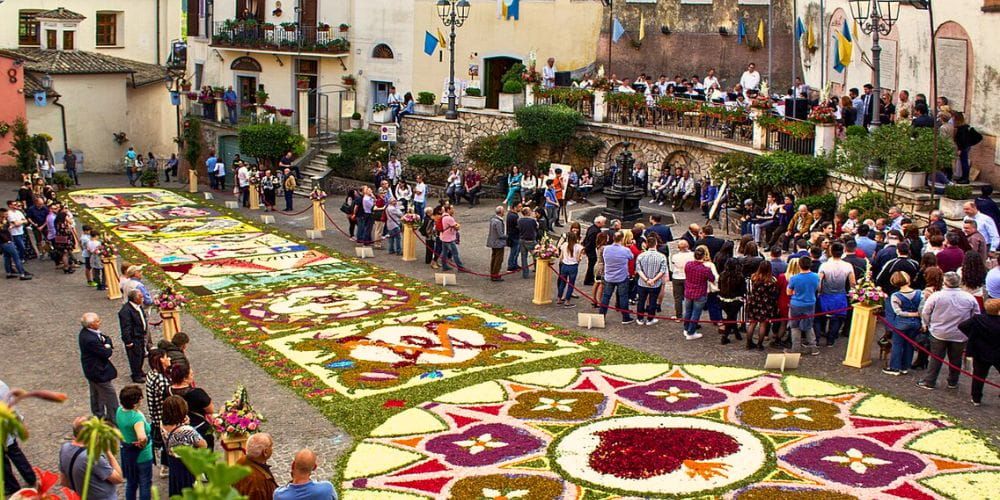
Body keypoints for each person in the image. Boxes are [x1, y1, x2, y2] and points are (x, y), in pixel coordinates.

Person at [918, 272, 981, 390]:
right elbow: (976, 315)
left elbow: (926, 312)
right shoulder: (969, 297)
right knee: (956, 359)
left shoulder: (936, 296)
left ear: (944, 283)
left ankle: (930, 381)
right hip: (960, 334)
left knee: (936, 358)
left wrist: (926, 324)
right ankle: (953, 381)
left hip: (939, 332)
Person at [59, 416, 124, 499]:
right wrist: (108, 452)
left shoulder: (65, 448)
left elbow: (64, 481)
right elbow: (118, 478)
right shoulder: (92, 457)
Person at [161, 395, 207, 496]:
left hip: (173, 463)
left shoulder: (162, 423)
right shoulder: (186, 430)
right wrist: (187, 425)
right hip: (186, 465)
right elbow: (203, 444)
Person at [79, 312, 118, 421]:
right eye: (97, 321)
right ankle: (114, 418)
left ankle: (98, 414)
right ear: (91, 325)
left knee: (96, 393)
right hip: (98, 371)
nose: (99, 322)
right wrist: (108, 345)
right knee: (110, 395)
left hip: (91, 370)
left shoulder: (88, 333)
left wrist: (107, 343)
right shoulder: (90, 339)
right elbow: (106, 353)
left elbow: (106, 338)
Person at [1, 380, 37, 497]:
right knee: (10, 456)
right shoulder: (1, 385)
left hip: (5, 428)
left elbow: (11, 406)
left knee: (10, 456)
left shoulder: (1, 386)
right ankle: (24, 479)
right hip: (6, 428)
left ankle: (19, 482)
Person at [960, 299, 1000, 406]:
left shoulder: (978, 319)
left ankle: (976, 398)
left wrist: (973, 336)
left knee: (979, 376)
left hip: (980, 352)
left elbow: (962, 326)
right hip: (998, 352)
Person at [116, 385, 153, 500]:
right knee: (145, 484)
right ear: (135, 402)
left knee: (131, 483)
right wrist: (143, 442)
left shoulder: (119, 411)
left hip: (127, 453)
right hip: (142, 456)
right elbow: (142, 437)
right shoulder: (136, 418)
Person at [168, 364, 215, 450]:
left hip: (176, 429)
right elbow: (210, 409)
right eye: (191, 374)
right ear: (185, 379)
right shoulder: (197, 393)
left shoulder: (167, 391)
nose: (193, 376)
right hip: (199, 429)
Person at [883, 272, 922, 376]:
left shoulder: (895, 296)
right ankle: (905, 367)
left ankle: (895, 367)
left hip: (901, 323)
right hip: (916, 322)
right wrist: (917, 314)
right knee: (909, 344)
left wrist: (910, 314)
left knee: (897, 345)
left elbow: (898, 312)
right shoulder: (919, 293)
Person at [817, 242, 856, 346]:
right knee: (837, 319)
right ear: (842, 252)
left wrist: (819, 292)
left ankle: (818, 336)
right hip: (840, 295)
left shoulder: (824, 265)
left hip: (825, 295)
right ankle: (831, 339)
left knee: (821, 317)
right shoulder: (848, 266)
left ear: (831, 251)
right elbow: (853, 282)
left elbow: (819, 282)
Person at [144, 349, 171, 477]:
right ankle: (167, 466)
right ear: (161, 360)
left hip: (156, 415)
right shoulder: (161, 380)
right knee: (169, 442)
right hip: (163, 415)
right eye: (166, 357)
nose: (169, 359)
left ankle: (165, 466)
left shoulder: (151, 375)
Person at [787, 256, 821, 356]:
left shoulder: (794, 278)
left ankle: (796, 349)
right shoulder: (815, 276)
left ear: (799, 265)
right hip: (810, 303)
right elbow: (818, 288)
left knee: (795, 327)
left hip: (796, 304)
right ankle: (813, 347)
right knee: (809, 326)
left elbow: (789, 292)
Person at [599, 231, 635, 325]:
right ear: (622, 239)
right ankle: (625, 317)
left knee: (606, 296)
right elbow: (631, 257)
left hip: (609, 276)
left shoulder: (606, 249)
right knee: (623, 297)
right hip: (621, 277)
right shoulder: (625, 250)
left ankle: (601, 316)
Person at [234, 433, 278, 500]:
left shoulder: (241, 461)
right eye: (271, 446)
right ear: (265, 452)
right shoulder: (257, 483)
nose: (272, 448)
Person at [682, 247, 714, 340]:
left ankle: (686, 328)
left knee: (688, 311)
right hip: (700, 293)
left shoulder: (688, 265)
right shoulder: (705, 269)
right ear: (704, 256)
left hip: (688, 291)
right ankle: (691, 332)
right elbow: (712, 278)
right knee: (696, 313)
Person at [635, 234, 667, 325]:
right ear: (656, 243)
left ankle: (640, 318)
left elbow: (638, 269)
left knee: (641, 300)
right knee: (653, 301)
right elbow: (662, 270)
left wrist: (646, 279)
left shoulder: (641, 256)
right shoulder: (662, 256)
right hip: (655, 283)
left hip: (642, 283)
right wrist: (653, 280)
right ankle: (650, 319)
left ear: (647, 244)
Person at [119, 290, 149, 383]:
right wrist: (128, 341)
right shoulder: (126, 311)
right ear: (135, 299)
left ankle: (139, 370)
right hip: (133, 337)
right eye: (140, 297)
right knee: (135, 356)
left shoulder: (137, 307)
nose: (142, 298)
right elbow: (126, 327)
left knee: (141, 355)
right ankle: (136, 375)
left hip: (140, 335)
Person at [556, 227, 584, 308]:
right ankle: (567, 301)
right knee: (571, 284)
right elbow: (579, 259)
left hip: (564, 265)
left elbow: (561, 257)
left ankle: (559, 298)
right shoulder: (579, 247)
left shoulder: (564, 245)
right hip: (573, 266)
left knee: (562, 283)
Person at [582, 216, 606, 286]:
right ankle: (588, 280)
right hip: (592, 251)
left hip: (590, 250)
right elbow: (590, 241)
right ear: (599, 223)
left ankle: (589, 279)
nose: (604, 224)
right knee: (591, 265)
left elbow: (586, 238)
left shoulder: (591, 228)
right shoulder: (596, 231)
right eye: (603, 223)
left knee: (591, 265)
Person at [439, 205, 464, 272]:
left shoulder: (443, 216)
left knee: (444, 253)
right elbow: (456, 227)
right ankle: (460, 267)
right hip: (449, 238)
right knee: (455, 253)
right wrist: (458, 225)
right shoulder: (449, 218)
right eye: (452, 209)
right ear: (448, 210)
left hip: (443, 237)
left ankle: (444, 266)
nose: (453, 210)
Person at [486, 206, 507, 281]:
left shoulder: (493, 219)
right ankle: (495, 274)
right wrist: (507, 237)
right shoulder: (498, 222)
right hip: (498, 243)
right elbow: (500, 234)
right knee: (498, 259)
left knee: (494, 258)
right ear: (501, 212)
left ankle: (493, 273)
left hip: (493, 241)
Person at [517, 207, 538, 279]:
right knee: (536, 255)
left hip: (522, 239)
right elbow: (536, 227)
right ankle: (537, 271)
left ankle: (525, 274)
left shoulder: (519, 220)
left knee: (524, 257)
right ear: (527, 212)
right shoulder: (532, 220)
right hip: (531, 240)